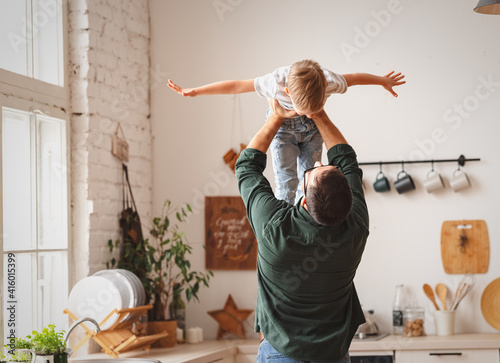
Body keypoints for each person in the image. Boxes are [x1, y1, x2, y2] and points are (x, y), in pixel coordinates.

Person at [234, 98, 369, 362]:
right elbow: (348, 162)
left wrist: (275, 117)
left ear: (304, 201)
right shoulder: (356, 228)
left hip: (279, 354)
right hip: (334, 355)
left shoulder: (276, 228)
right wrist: (319, 114)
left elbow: (247, 167)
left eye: (312, 171)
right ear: (351, 199)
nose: (318, 163)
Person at [168, 59, 405, 205]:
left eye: (316, 109)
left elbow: (353, 79)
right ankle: (288, 220)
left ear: (324, 88)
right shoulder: (274, 82)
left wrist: (382, 80)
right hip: (283, 132)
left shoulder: (329, 80)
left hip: (313, 133)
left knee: (311, 178)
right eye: (305, 110)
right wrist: (196, 92)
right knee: (286, 182)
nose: (310, 114)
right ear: (288, 91)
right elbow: (238, 85)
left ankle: (308, 218)